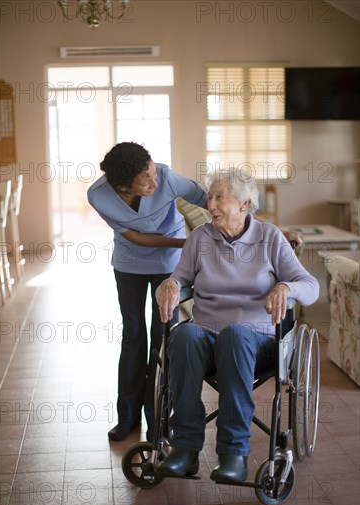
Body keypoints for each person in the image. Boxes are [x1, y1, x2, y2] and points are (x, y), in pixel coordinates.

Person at [156, 167, 319, 483]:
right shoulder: (200, 238)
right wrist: (172, 284)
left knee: (235, 336)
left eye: (220, 198)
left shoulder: (270, 238)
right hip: (207, 336)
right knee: (183, 335)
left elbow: (309, 285)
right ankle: (185, 448)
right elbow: (181, 278)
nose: (211, 205)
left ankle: (233, 453)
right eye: (210, 197)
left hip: (256, 341)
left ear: (245, 204)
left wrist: (287, 288)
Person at [87, 142, 206, 441]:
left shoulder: (166, 176)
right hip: (129, 263)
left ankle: (158, 418)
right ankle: (126, 416)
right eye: (146, 180)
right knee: (133, 335)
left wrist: (246, 225)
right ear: (122, 185)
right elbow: (137, 237)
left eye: (153, 173)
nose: (156, 182)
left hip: (168, 265)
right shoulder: (99, 195)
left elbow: (207, 199)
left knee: (164, 335)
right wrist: (185, 244)